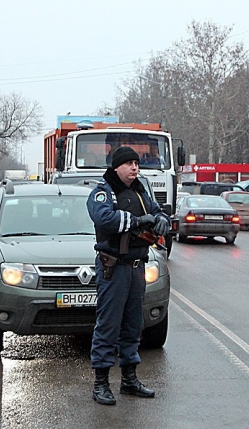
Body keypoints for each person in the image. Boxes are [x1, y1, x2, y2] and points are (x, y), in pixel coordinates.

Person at [86, 146, 170, 406]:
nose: (135, 168)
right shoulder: (103, 191)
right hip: (113, 267)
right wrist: (137, 221)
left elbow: (156, 211)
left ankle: (129, 380)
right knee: (109, 326)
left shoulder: (141, 190)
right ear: (116, 167)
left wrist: (161, 220)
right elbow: (104, 219)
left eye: (136, 163)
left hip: (136, 266)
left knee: (134, 325)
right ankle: (101, 383)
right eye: (129, 164)